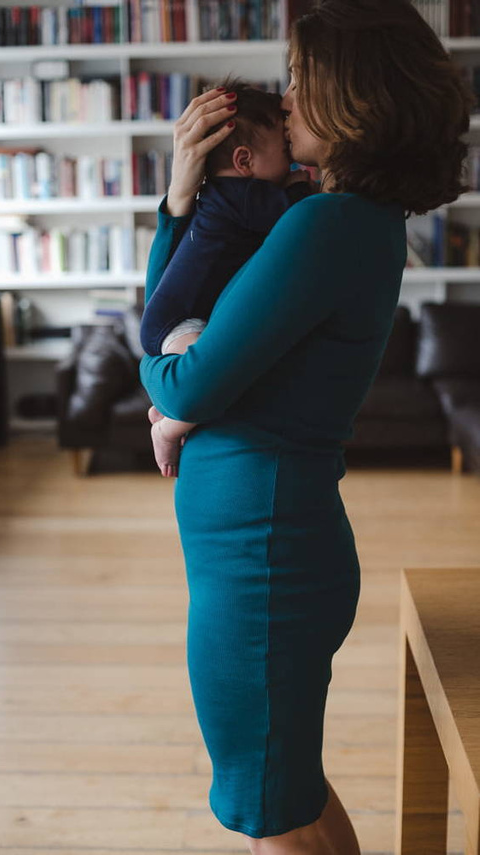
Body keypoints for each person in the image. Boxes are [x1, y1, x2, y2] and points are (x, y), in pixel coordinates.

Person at [139, 1, 473, 853]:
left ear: (352, 99)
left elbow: (184, 362)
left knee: (270, 812)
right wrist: (182, 199)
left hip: (263, 560)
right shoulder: (339, 220)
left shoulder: (324, 226)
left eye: (298, 84)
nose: (283, 102)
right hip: (266, 552)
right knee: (287, 791)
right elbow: (186, 313)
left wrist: (165, 391)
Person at [140, 78, 315, 476]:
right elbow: (299, 213)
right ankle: (168, 428)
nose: (291, 160)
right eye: (284, 151)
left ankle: (167, 415)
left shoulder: (225, 195)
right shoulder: (244, 197)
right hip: (179, 318)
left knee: (204, 377)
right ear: (244, 162)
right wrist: (302, 186)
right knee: (206, 379)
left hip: (176, 313)